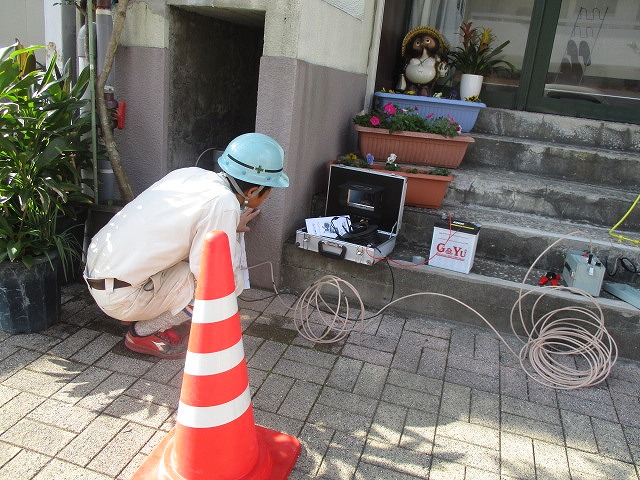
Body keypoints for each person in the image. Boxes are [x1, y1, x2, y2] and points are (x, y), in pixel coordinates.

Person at [84, 133, 289, 359]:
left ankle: (139, 309)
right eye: (269, 191)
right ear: (252, 192)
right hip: (120, 295)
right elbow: (211, 275)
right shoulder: (224, 203)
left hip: (100, 272)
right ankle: (142, 332)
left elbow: (183, 225)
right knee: (224, 285)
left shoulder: (190, 175)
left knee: (192, 265)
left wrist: (231, 222)